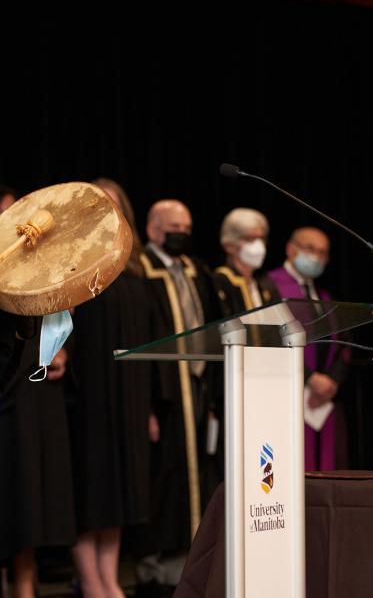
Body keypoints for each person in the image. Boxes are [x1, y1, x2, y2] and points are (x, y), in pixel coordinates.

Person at [0, 184, 76, 598]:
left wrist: (58, 348)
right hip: (3, 395)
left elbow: (55, 318)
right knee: (8, 500)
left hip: (39, 396)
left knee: (34, 499)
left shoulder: (40, 263)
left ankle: (26, 586)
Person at [66, 178, 154, 598]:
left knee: (119, 489)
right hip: (89, 393)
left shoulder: (136, 270)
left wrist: (151, 408)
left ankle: (109, 577)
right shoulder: (73, 263)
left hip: (129, 395)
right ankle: (90, 580)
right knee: (91, 487)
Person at [137, 199, 223, 593]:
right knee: (165, 475)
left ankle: (199, 554)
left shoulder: (196, 271)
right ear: (153, 228)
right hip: (163, 390)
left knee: (201, 471)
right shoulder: (141, 271)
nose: (182, 233)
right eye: (175, 226)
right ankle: (160, 564)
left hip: (198, 386)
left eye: (187, 226)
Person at [265, 227, 350, 470]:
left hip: (323, 400)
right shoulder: (268, 287)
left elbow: (344, 342)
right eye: (310, 249)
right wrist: (309, 378)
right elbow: (270, 338)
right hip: (286, 394)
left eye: (323, 252)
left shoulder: (323, 295)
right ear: (291, 249)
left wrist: (331, 381)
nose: (317, 257)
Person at [213, 208, 278, 316]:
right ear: (229, 245)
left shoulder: (261, 285)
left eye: (261, 238)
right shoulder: (220, 281)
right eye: (249, 239)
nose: (258, 245)